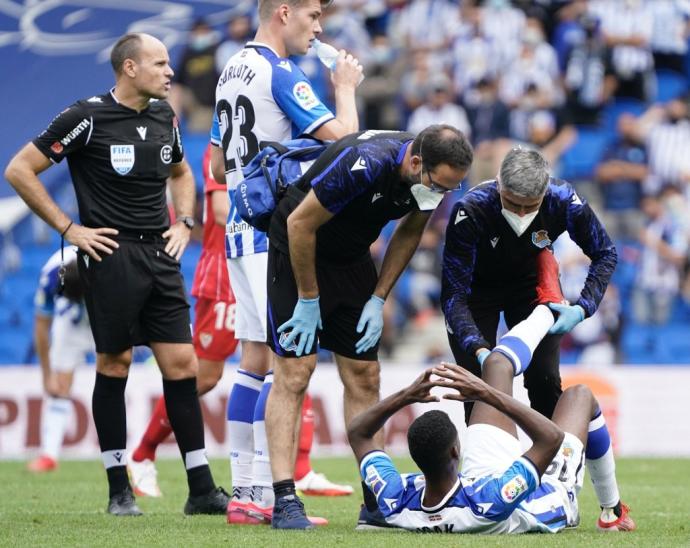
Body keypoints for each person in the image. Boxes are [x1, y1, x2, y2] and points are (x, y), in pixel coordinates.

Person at [5, 32, 228, 517]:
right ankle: (118, 489)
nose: (172, 72)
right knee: (116, 365)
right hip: (110, 256)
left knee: (183, 366)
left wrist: (185, 222)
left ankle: (201, 488)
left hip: (160, 256)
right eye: (161, 63)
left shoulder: (162, 116)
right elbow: (20, 169)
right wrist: (69, 228)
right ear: (130, 68)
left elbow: (182, 173)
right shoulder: (85, 116)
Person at [265, 125, 474, 529]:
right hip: (299, 251)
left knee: (365, 375)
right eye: (439, 184)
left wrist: (379, 297)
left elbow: (410, 229)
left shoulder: (431, 175)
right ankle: (285, 499)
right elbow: (298, 225)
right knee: (295, 372)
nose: (442, 194)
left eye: (451, 188)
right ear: (415, 163)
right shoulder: (365, 165)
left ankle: (376, 498)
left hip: (352, 259)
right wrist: (309, 299)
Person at [212, 0, 362, 525]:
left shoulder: (230, 69)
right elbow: (346, 143)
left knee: (253, 361)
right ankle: (262, 494)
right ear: (283, 12)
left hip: (236, 228)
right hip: (270, 232)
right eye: (313, 15)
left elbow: (215, 161)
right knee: (283, 367)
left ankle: (244, 493)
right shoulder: (279, 72)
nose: (319, 27)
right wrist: (344, 87)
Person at [348, 259, 635, 533]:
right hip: (544, 495)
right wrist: (485, 393)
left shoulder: (396, 500)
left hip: (476, 478)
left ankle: (547, 306)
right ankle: (612, 512)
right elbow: (551, 438)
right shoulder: (490, 502)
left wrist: (405, 395)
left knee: (496, 365)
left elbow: (358, 434)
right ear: (455, 451)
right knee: (579, 396)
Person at [441, 147, 617, 425]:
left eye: (530, 206)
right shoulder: (471, 210)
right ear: (499, 184)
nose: (521, 213)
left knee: (544, 381)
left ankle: (553, 464)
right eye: (512, 203)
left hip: (531, 288)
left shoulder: (564, 200)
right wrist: (479, 348)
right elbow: (453, 295)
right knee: (477, 388)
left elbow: (605, 253)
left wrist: (583, 307)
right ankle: (485, 467)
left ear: (545, 192)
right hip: (476, 292)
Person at [128, 144, 239, 497]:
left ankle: (296, 470)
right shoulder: (221, 149)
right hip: (225, 278)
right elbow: (220, 213)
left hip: (259, 273)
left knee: (282, 366)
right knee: (204, 376)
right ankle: (142, 453)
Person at [28, 249, 94, 473]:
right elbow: (41, 327)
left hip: (104, 306)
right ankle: (49, 455)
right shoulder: (50, 277)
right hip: (71, 319)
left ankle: (127, 453)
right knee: (60, 385)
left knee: (117, 369)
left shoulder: (105, 263)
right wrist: (47, 376)